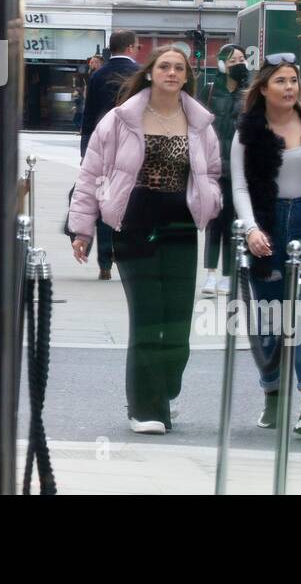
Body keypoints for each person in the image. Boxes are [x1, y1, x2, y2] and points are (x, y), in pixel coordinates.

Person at [67, 46, 222, 434]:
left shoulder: (200, 123)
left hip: (181, 228)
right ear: (151, 73)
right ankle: (145, 408)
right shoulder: (121, 120)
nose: (171, 72)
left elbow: (213, 173)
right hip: (134, 226)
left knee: (179, 323)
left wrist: (212, 200)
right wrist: (83, 229)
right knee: (148, 317)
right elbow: (91, 174)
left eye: (179, 68)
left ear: (187, 76)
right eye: (164, 66)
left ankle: (164, 386)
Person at [231, 53, 301, 437]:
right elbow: (240, 186)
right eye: (280, 81)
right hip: (268, 224)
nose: (289, 87)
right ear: (263, 88)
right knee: (269, 317)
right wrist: (251, 229)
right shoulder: (248, 131)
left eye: (293, 80)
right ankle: (273, 395)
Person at [79, 31, 142, 280]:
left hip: (102, 150)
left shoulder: (97, 75)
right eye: (136, 46)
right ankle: (127, 257)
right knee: (130, 204)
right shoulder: (140, 75)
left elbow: (88, 114)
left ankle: (104, 262)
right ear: (129, 48)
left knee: (104, 201)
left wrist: (85, 154)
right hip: (131, 150)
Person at [198, 43, 248, 297]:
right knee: (213, 222)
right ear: (221, 64)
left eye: (241, 59)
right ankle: (209, 274)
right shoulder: (208, 90)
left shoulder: (249, 93)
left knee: (232, 223)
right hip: (212, 166)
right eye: (232, 59)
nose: (237, 63)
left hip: (238, 169)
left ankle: (228, 276)